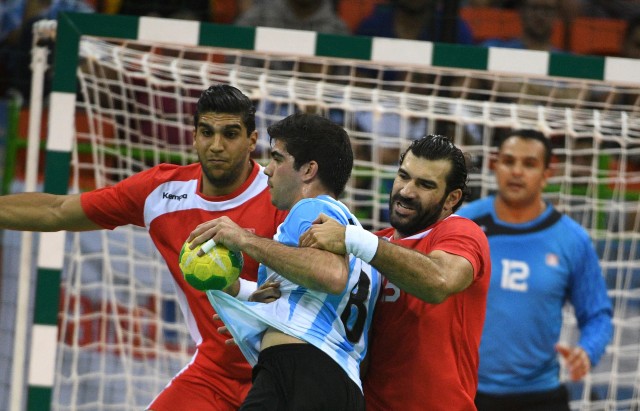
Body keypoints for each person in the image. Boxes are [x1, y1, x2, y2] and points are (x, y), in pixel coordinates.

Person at [0, 84, 288, 410]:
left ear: (252, 141)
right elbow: (57, 211)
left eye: (230, 134)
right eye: (207, 132)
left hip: (285, 371)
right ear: (194, 136)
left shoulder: (283, 196)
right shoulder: (162, 193)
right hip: (215, 374)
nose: (216, 146)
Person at [187, 112, 381, 410]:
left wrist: (245, 240)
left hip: (299, 371)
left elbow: (330, 275)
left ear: (308, 170)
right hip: (342, 386)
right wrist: (244, 295)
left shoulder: (311, 208)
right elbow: (326, 293)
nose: (267, 170)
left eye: (277, 158)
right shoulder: (355, 236)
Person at [299, 134, 492, 411]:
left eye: (425, 185)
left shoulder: (460, 233)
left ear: (452, 198)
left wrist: (355, 239)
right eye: (404, 176)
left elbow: (439, 281)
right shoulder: (370, 244)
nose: (406, 191)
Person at [455, 129, 613, 411]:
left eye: (529, 164)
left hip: (540, 395)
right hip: (463, 389)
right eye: (508, 161)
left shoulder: (571, 239)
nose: (516, 171)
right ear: (494, 164)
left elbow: (597, 314)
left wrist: (588, 350)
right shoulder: (462, 224)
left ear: (547, 173)